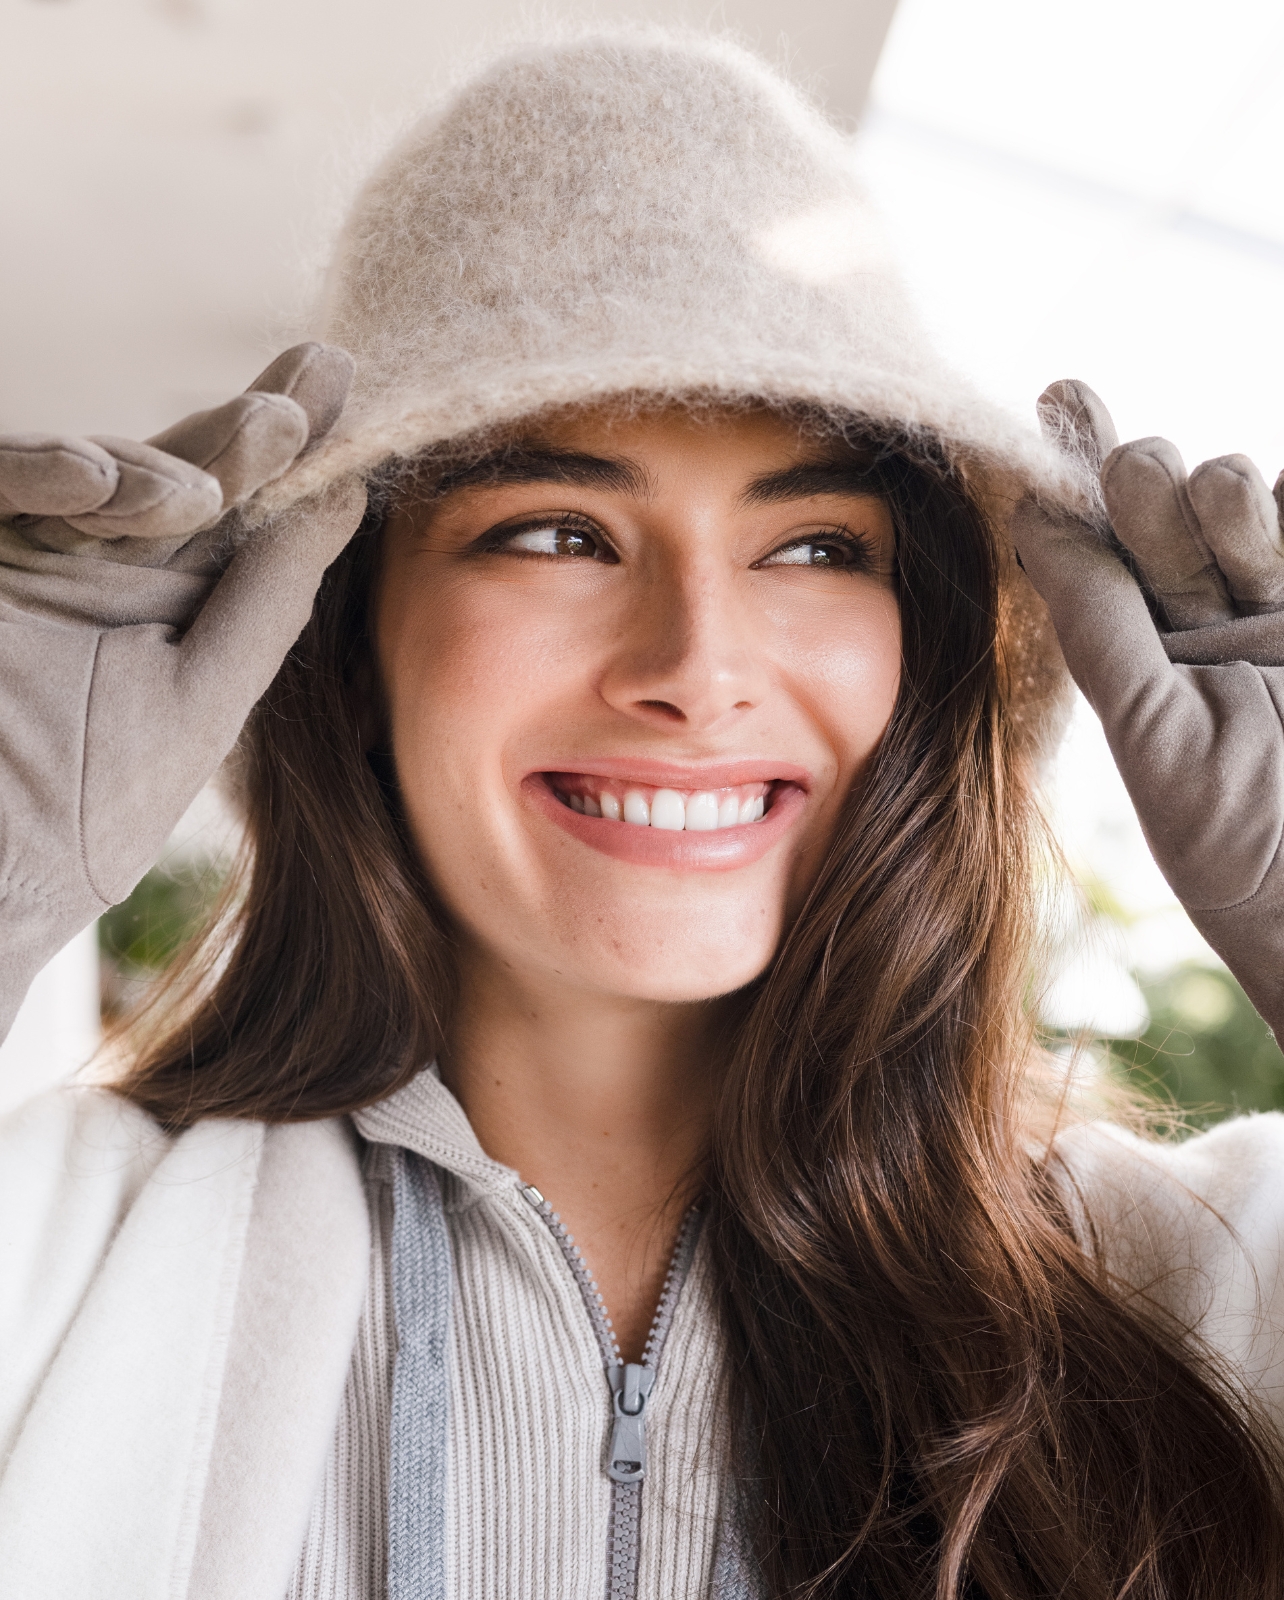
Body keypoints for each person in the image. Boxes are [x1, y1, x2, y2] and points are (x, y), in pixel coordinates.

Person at [2, 27, 1284, 1600]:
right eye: (556, 532)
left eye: (817, 547)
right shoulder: (57, 1255)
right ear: (340, 633)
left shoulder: (1201, 1293)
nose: (695, 668)